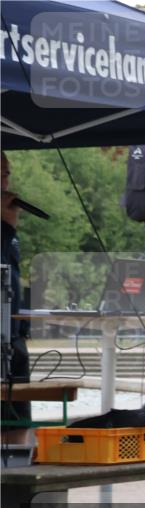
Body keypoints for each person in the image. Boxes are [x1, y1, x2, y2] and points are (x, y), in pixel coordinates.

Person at [1, 151, 32, 440]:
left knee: (17, 422)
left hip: (12, 336)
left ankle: (16, 481)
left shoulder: (7, 228)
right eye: (0, 175)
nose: (6, 182)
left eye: (7, 174)